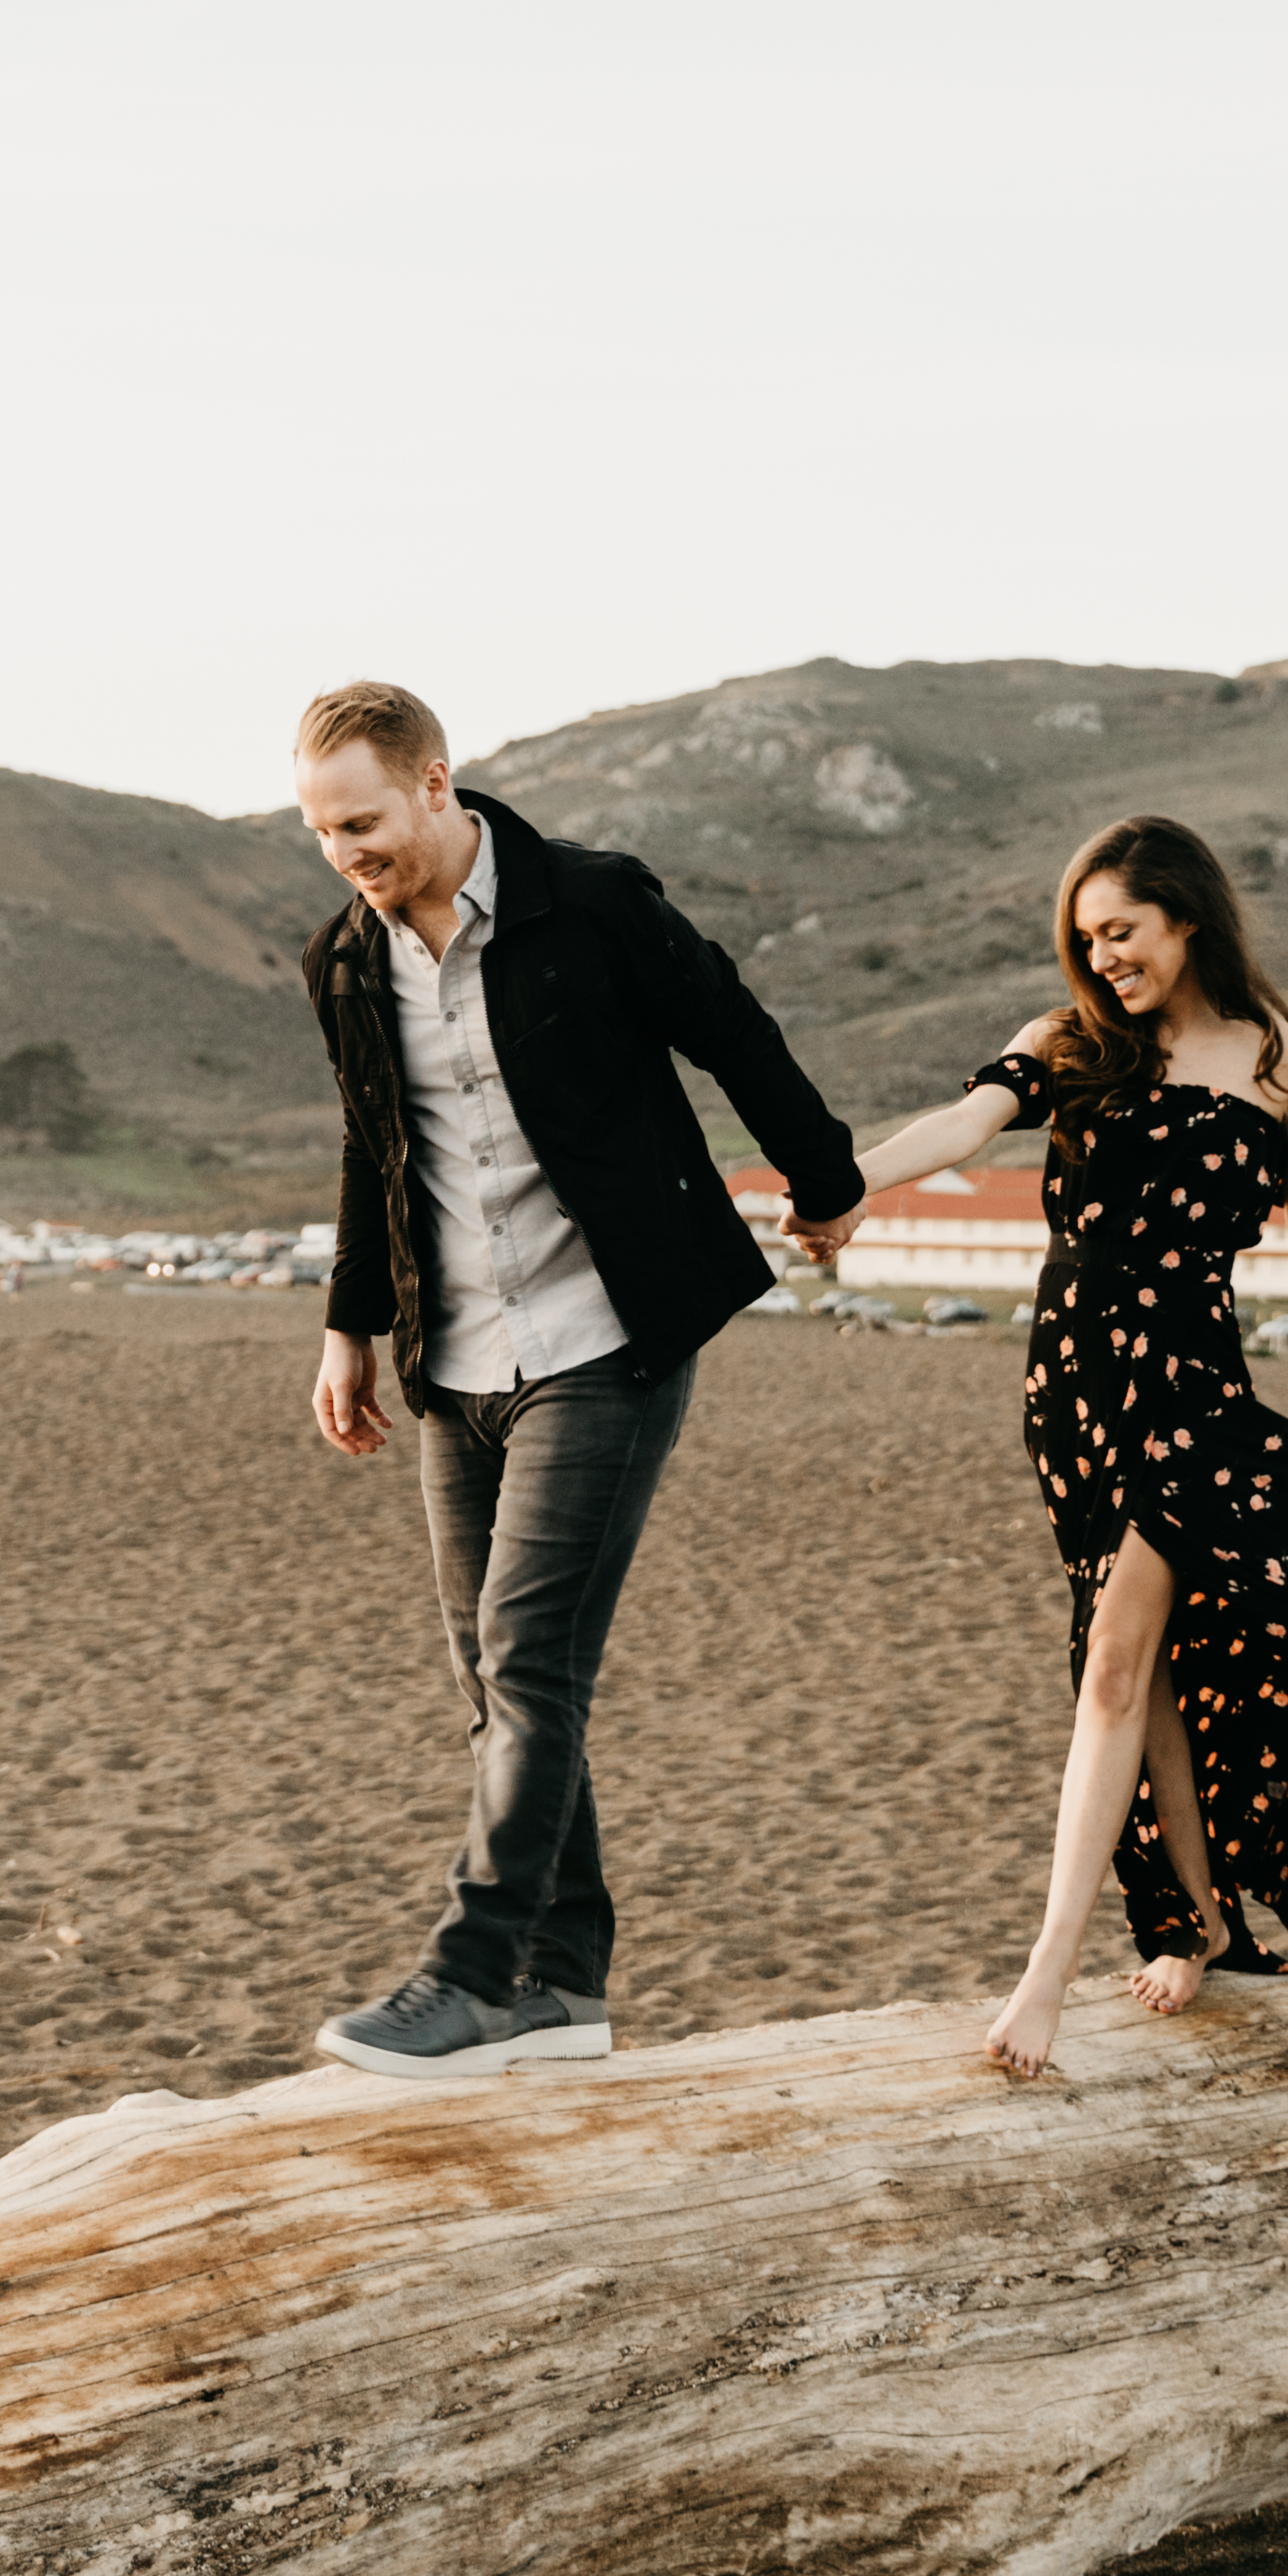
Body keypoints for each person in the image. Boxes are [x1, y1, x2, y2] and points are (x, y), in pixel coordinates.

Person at [857, 813, 1288, 2078]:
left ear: (1187, 918)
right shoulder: (1066, 1042)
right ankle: (1192, 1916)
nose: (1100, 957)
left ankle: (1049, 1968)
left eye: (1121, 932)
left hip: (1193, 1386)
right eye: (1084, 939)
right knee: (1149, 1662)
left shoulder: (1287, 1063)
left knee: (1117, 1656)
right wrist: (850, 1179)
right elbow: (960, 1130)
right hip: (1072, 1387)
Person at [291, 682, 866, 2078]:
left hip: (606, 1335)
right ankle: (565, 1985)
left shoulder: (593, 902)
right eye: (318, 832)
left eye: (361, 820)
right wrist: (347, 1328)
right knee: (493, 1681)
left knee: (532, 1663)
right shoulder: (347, 960)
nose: (345, 853)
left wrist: (824, 1175)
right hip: (457, 1359)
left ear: (438, 784)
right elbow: (380, 1153)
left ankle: (475, 1971)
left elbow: (732, 1029)